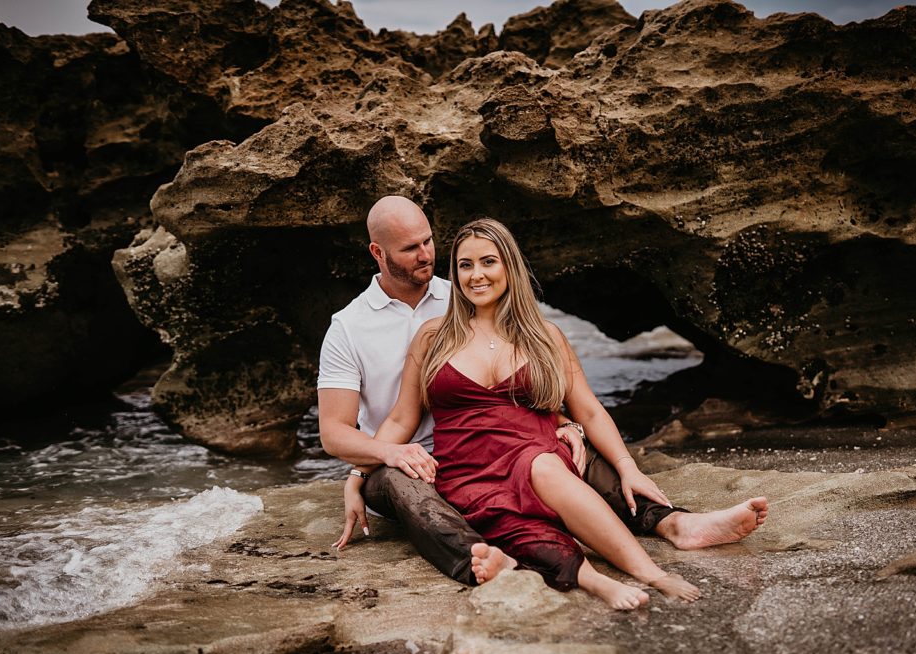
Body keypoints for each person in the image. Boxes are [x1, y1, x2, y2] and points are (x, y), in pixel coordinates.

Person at [318, 197, 767, 593]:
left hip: (503, 443)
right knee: (408, 483)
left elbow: (530, 389)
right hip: (408, 460)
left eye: (430, 241)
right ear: (378, 253)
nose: (426, 255)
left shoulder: (461, 293)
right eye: (411, 248)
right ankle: (487, 561)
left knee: (565, 448)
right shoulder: (350, 328)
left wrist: (564, 423)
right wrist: (368, 466)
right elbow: (352, 429)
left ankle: (676, 523)